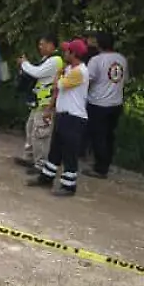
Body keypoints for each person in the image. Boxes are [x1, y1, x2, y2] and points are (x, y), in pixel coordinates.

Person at [28, 38, 91, 197]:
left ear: (74, 54)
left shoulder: (79, 72)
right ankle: (47, 176)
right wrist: (50, 108)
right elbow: (58, 92)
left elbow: (57, 85)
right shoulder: (69, 69)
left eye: (67, 51)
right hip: (64, 115)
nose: (64, 53)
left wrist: (58, 75)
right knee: (55, 149)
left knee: (70, 152)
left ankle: (69, 185)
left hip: (74, 118)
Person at [14, 34, 63, 171]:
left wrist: (24, 63)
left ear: (51, 44)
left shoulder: (55, 60)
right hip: (39, 101)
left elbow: (37, 72)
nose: (40, 47)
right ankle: (30, 156)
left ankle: (41, 164)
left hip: (47, 103)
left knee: (41, 133)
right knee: (30, 128)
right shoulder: (47, 59)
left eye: (42, 44)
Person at [84, 32, 128, 179]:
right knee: (109, 135)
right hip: (116, 103)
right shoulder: (121, 59)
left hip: (98, 103)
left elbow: (87, 80)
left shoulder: (96, 60)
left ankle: (100, 167)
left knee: (98, 136)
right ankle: (106, 163)